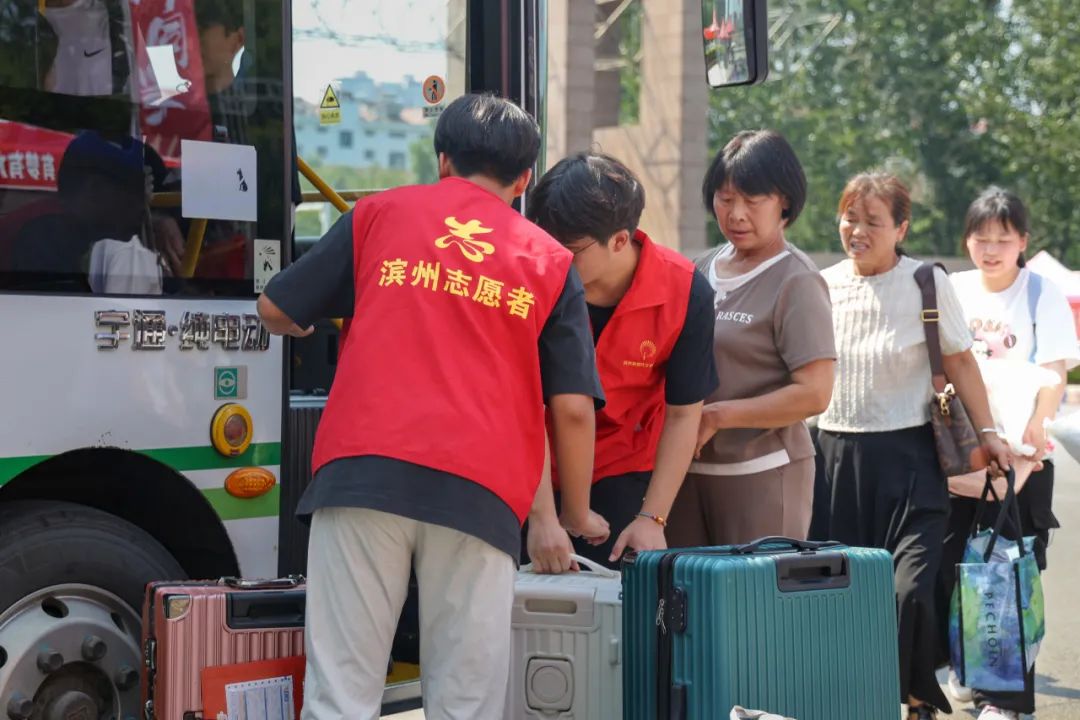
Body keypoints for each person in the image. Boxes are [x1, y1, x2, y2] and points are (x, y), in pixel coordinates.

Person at [257, 94, 610, 719]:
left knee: (341, 689)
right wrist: (573, 512)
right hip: (480, 492)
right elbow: (572, 408)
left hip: (362, 474)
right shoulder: (550, 262)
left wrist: (314, 325)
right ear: (525, 179)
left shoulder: (377, 215)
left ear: (441, 159)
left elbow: (277, 308)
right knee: (464, 699)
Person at [815, 171, 1011, 720]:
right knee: (842, 597)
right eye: (849, 217)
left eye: (872, 221)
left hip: (911, 461)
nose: (857, 230)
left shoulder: (926, 282)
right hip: (833, 460)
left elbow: (961, 361)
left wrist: (990, 434)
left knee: (912, 590)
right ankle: (860, 700)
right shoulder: (822, 284)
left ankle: (917, 695)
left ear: (900, 227)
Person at [523, 152, 718, 571]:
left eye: (570, 250)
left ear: (619, 239)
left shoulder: (686, 293)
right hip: (528, 468)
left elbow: (684, 415)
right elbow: (527, 405)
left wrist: (652, 518)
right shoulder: (531, 281)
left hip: (620, 473)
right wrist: (541, 516)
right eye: (546, 243)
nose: (554, 260)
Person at [939, 187, 1079, 720]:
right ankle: (967, 670)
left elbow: (1055, 372)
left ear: (1023, 241)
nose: (992, 249)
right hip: (960, 456)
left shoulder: (1039, 292)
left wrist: (1032, 433)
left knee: (1011, 573)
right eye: (981, 238)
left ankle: (1006, 700)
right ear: (967, 241)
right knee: (955, 566)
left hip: (1021, 457)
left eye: (1004, 238)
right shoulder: (952, 288)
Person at [666, 130, 836, 548]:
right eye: (725, 199)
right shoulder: (699, 268)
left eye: (752, 201)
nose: (737, 214)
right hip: (684, 478)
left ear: (785, 203)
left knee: (754, 608)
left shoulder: (796, 279)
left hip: (762, 474)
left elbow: (815, 394)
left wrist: (719, 416)